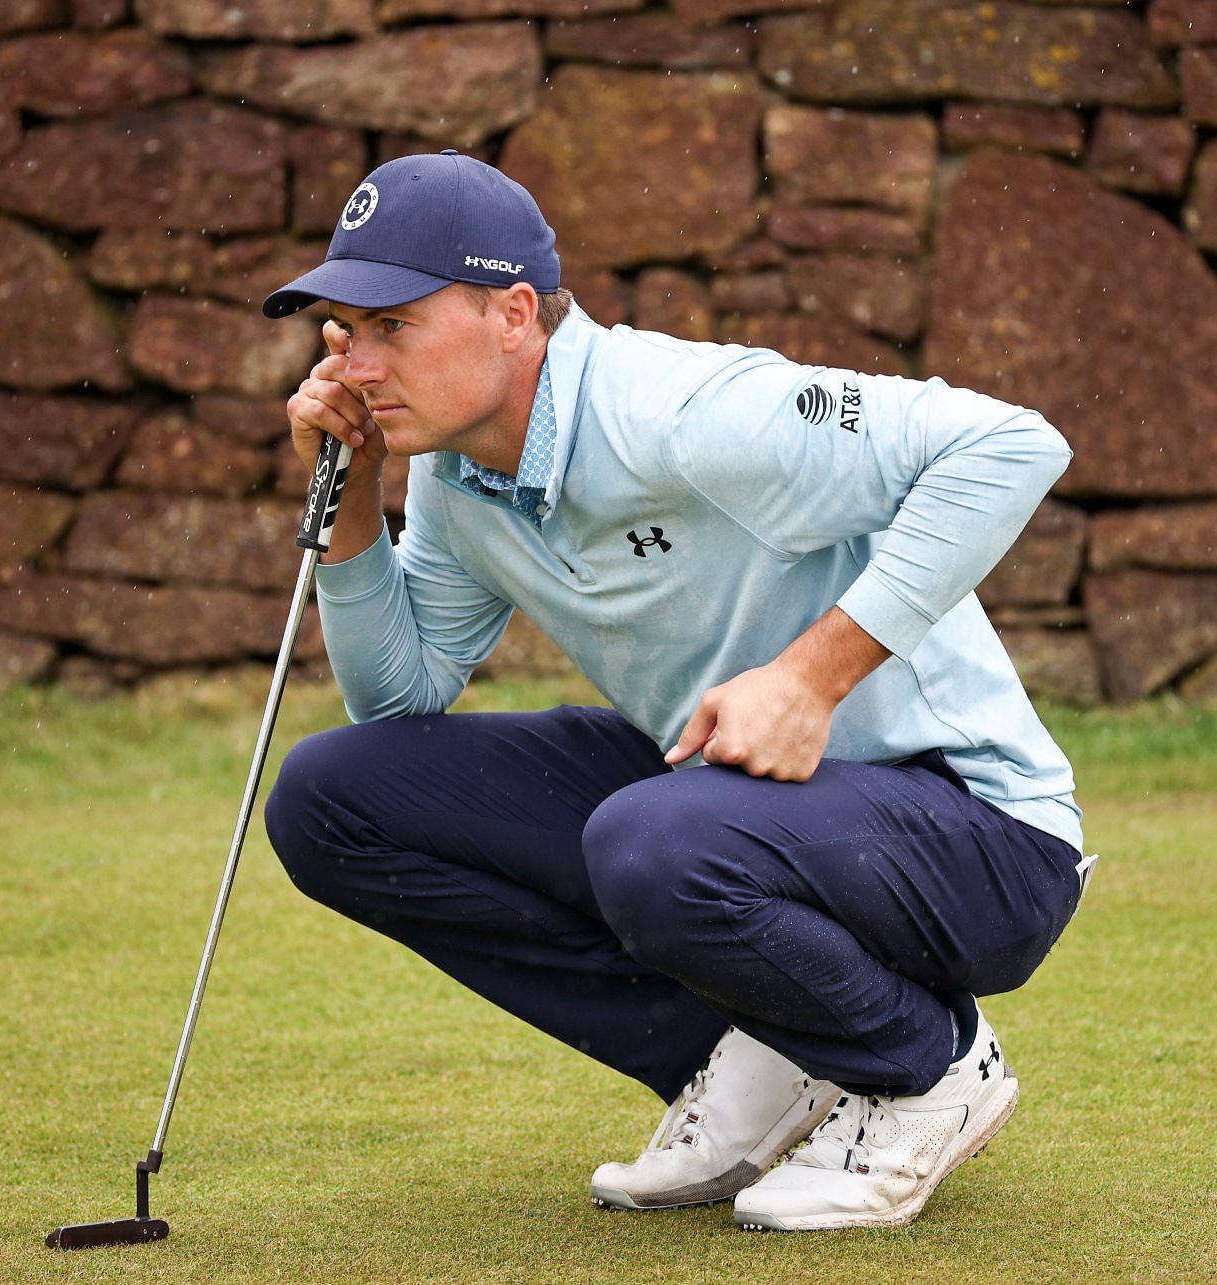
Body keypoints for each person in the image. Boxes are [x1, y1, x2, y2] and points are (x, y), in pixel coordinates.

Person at [259, 150, 1094, 1232]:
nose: (357, 364)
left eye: (394, 327)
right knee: (335, 796)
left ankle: (925, 1065)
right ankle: (757, 1055)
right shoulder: (456, 476)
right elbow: (396, 702)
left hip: (984, 838)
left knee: (652, 841)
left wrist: (812, 675)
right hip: (740, 808)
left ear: (514, 314)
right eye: (345, 332)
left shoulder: (685, 408)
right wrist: (357, 498)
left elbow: (1011, 444)